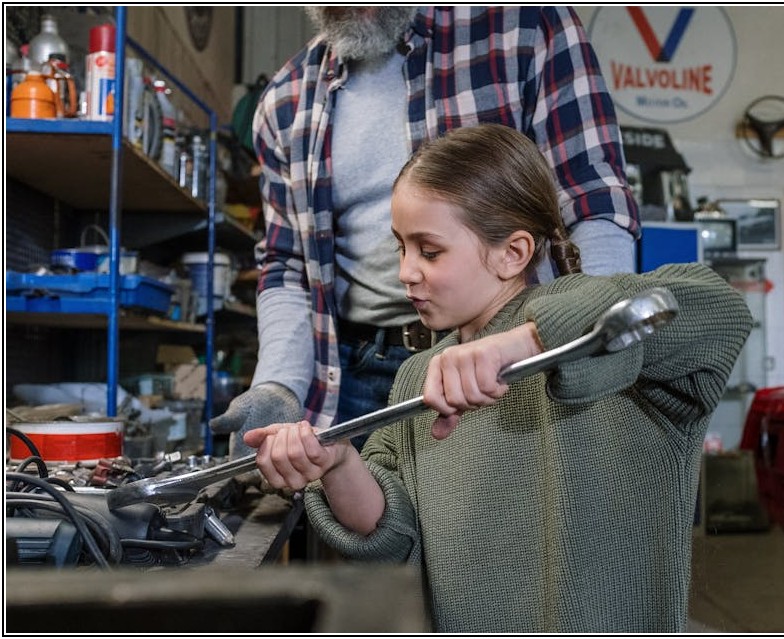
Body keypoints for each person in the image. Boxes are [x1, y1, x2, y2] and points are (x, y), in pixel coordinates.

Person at [244, 124, 754, 633]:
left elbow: (722, 310)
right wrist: (336, 463)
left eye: (430, 250)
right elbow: (390, 537)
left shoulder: (606, 342)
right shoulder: (420, 377)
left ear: (513, 252)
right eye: (401, 247)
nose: (406, 272)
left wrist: (524, 344)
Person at [210, 6, 640, 457]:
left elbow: (594, 200)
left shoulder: (524, 29)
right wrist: (278, 384)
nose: (406, 273)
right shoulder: (285, 101)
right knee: (367, 520)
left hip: (503, 360)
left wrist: (584, 335)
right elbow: (287, 264)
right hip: (354, 373)